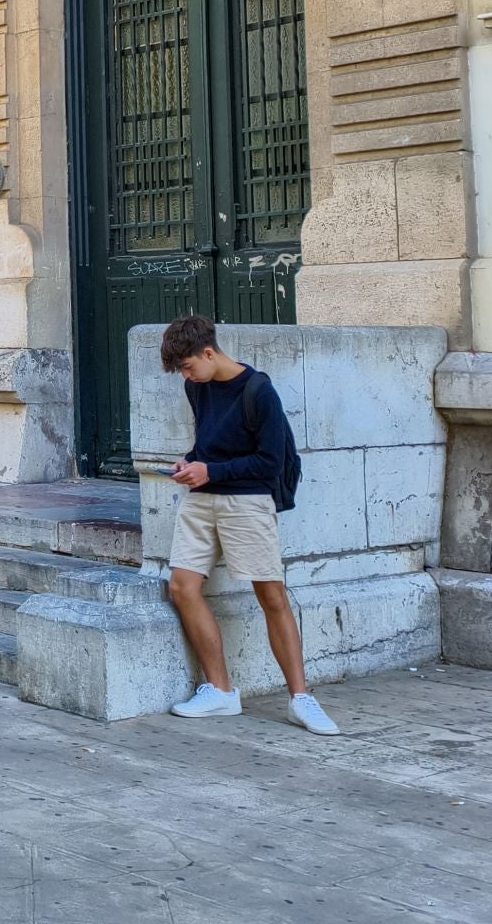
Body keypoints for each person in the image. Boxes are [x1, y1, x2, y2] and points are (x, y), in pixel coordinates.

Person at [158, 315, 338, 736]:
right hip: (203, 500)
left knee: (271, 594)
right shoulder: (196, 387)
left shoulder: (259, 391)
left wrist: (211, 472)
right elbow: (210, 443)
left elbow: (270, 462)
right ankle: (220, 690)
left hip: (248, 501)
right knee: (182, 586)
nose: (186, 376)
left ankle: (301, 698)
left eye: (188, 366)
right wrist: (191, 462)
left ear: (208, 352)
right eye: (182, 370)